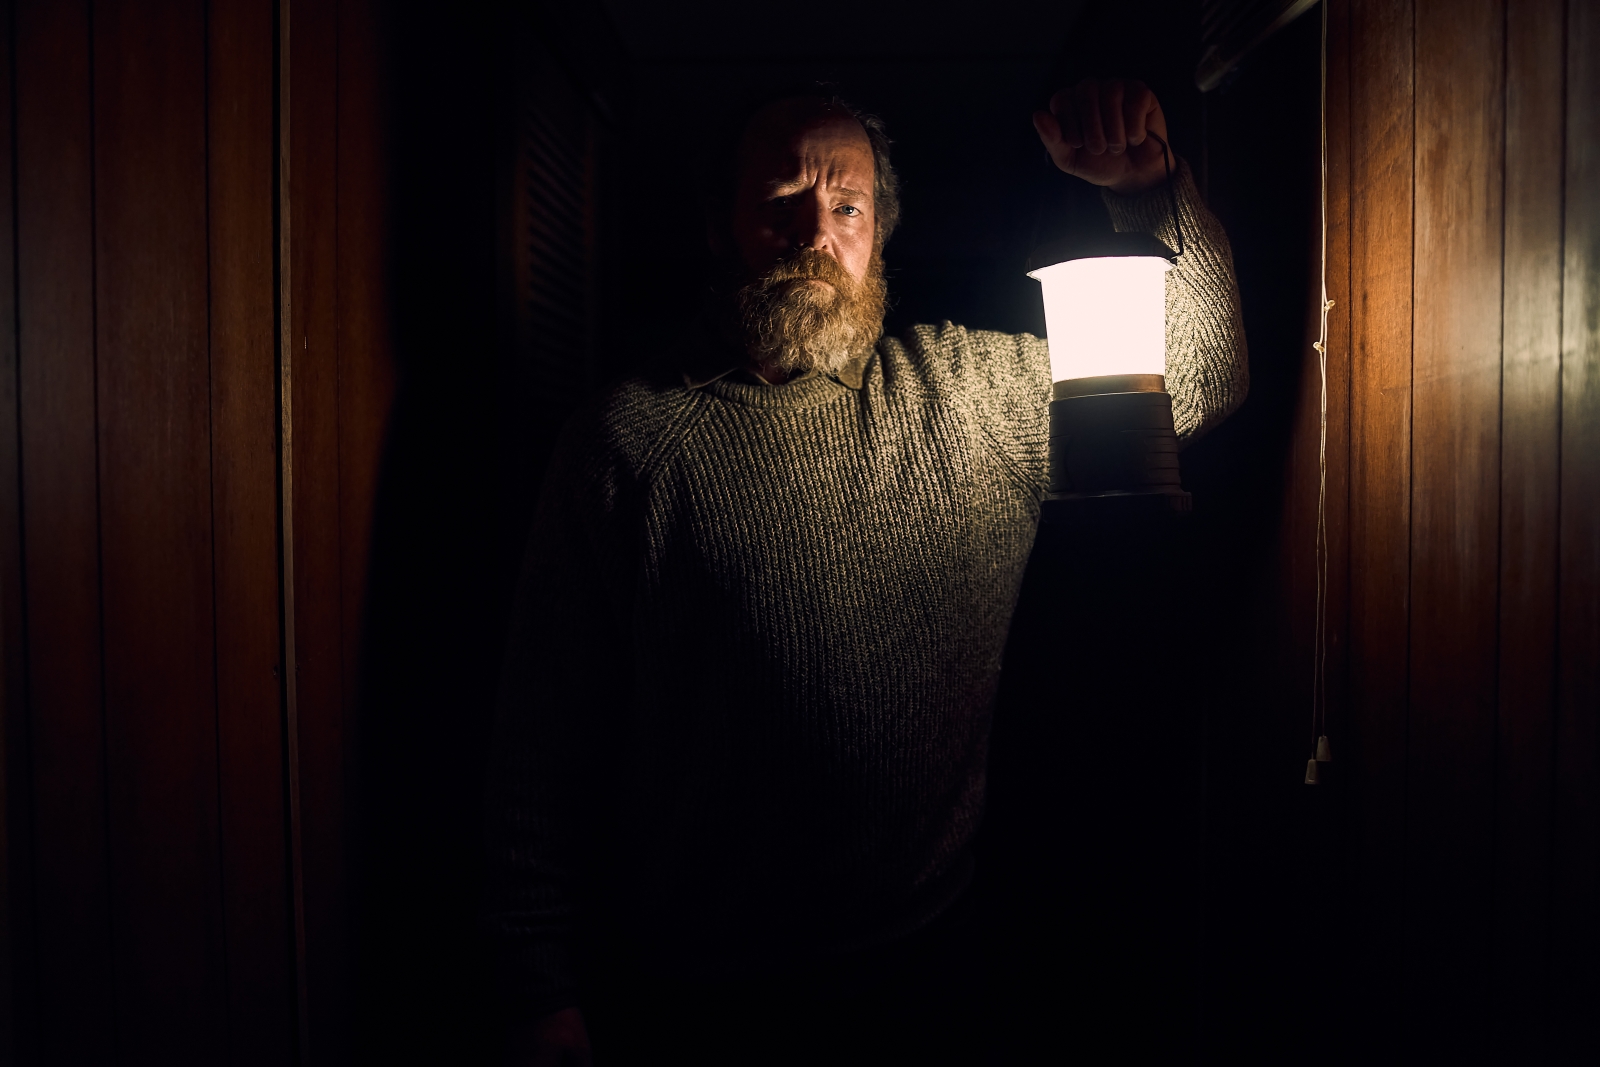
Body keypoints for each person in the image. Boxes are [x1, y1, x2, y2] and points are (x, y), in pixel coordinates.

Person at [489, 78, 1247, 1066]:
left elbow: (1203, 377)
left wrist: (1148, 192)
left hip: (927, 966)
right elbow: (541, 734)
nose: (816, 233)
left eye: (846, 206)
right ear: (719, 227)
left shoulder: (971, 397)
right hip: (700, 990)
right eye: (782, 201)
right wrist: (537, 986)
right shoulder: (625, 442)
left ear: (879, 234)